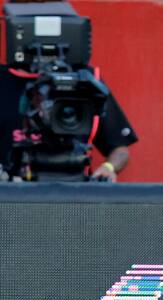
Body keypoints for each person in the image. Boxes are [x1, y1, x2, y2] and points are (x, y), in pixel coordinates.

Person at [0, 0, 137, 181]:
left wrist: (108, 167)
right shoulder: (3, 79)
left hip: (72, 193)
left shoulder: (85, 81)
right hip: (11, 195)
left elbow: (119, 148)